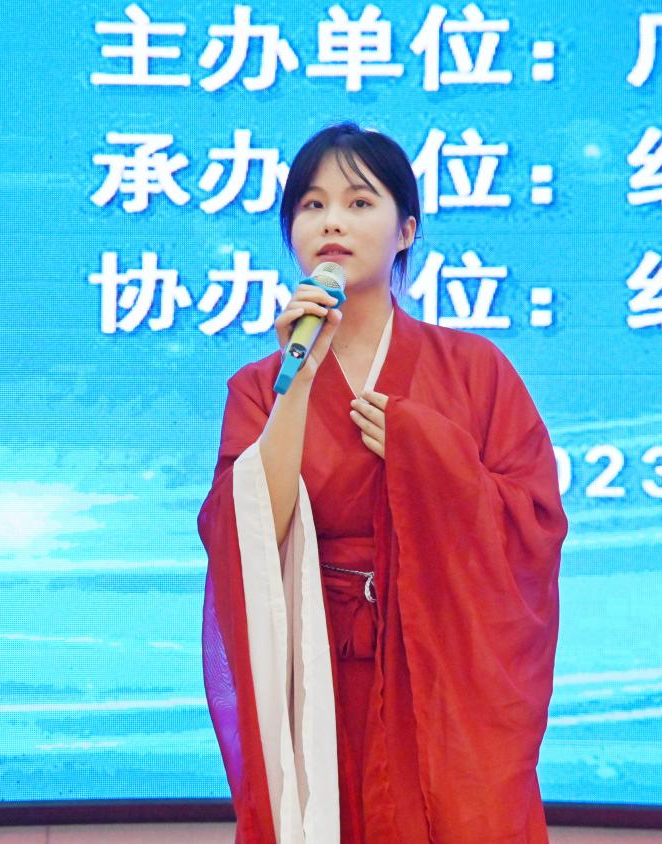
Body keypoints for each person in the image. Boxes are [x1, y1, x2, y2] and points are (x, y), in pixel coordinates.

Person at [198, 120, 568, 843]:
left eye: (359, 202)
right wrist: (298, 385)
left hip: (440, 674)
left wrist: (426, 452)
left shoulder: (476, 370)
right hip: (315, 672)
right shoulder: (259, 387)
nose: (331, 221)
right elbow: (246, 532)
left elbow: (533, 525)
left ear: (406, 231)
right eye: (311, 205)